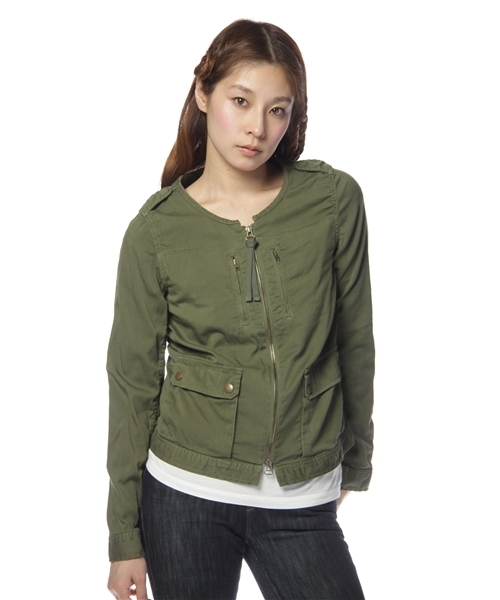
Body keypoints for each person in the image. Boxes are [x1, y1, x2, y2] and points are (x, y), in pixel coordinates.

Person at [106, 18, 374, 600]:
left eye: (278, 110)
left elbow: (355, 336)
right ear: (203, 94)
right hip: (183, 495)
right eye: (241, 101)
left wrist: (357, 457)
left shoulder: (332, 201)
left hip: (301, 496)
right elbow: (132, 385)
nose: (258, 128)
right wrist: (124, 535)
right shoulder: (155, 232)